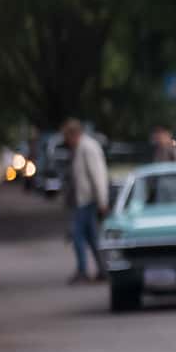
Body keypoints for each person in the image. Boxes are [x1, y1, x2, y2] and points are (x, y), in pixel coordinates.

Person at [61, 118, 109, 284]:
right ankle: (103, 269)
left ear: (73, 134)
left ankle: (83, 270)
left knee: (77, 235)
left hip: (87, 200)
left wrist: (102, 200)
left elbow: (97, 176)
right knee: (91, 237)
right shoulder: (81, 148)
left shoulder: (88, 148)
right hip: (83, 199)